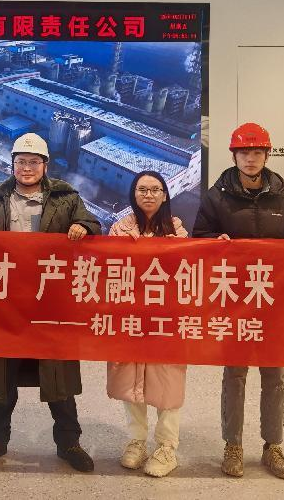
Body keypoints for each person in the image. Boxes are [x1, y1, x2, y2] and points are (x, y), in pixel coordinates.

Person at [192, 122, 284, 481]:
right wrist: (213, 241)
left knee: (275, 373)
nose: (250, 158)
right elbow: (199, 238)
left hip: (273, 301)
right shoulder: (217, 197)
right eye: (244, 152)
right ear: (234, 156)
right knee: (234, 373)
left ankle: (273, 447)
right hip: (233, 298)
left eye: (256, 152)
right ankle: (233, 445)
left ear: (266, 155)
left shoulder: (281, 195)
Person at [0, 133, 101, 473]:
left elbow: (93, 224)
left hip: (49, 304)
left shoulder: (66, 198)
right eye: (21, 162)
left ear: (45, 165)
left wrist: (83, 226)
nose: (27, 168)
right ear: (12, 164)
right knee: (0, 380)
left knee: (59, 381)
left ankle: (69, 443)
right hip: (4, 304)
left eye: (33, 162)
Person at [106, 170, 188, 478]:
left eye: (155, 189)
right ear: (133, 194)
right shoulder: (119, 229)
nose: (149, 194)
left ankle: (167, 447)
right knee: (130, 378)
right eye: (142, 189)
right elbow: (108, 267)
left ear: (165, 195)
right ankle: (136, 441)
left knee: (168, 381)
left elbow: (187, 270)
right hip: (130, 316)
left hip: (165, 318)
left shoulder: (177, 230)